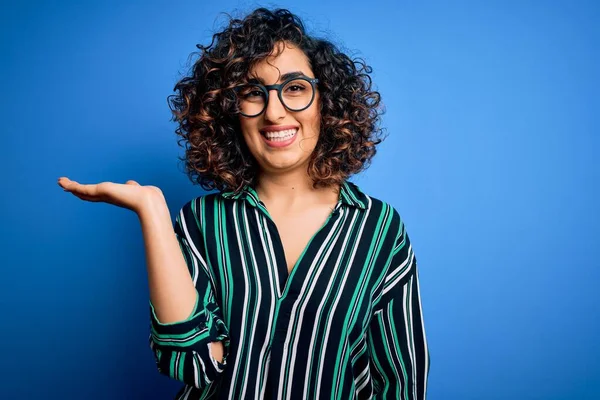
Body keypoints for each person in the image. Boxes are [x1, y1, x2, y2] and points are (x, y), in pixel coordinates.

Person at [57, 7, 429, 400]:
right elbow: (192, 361)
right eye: (253, 93)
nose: (274, 111)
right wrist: (152, 211)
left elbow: (400, 384)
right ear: (231, 112)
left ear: (326, 101)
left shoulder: (378, 228)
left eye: (295, 87)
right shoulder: (201, 221)